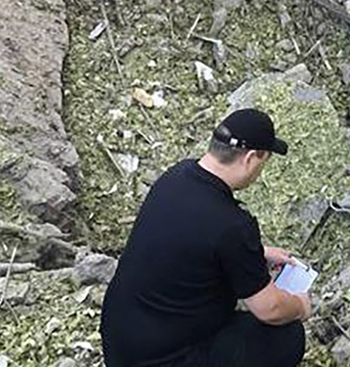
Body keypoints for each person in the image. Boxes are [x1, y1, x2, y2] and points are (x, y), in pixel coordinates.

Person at [101, 109, 310, 367]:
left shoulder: (175, 177)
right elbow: (270, 310)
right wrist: (300, 305)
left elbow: (191, 237)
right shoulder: (232, 224)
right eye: (264, 161)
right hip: (166, 359)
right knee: (287, 336)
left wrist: (258, 253)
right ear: (251, 158)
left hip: (121, 344)